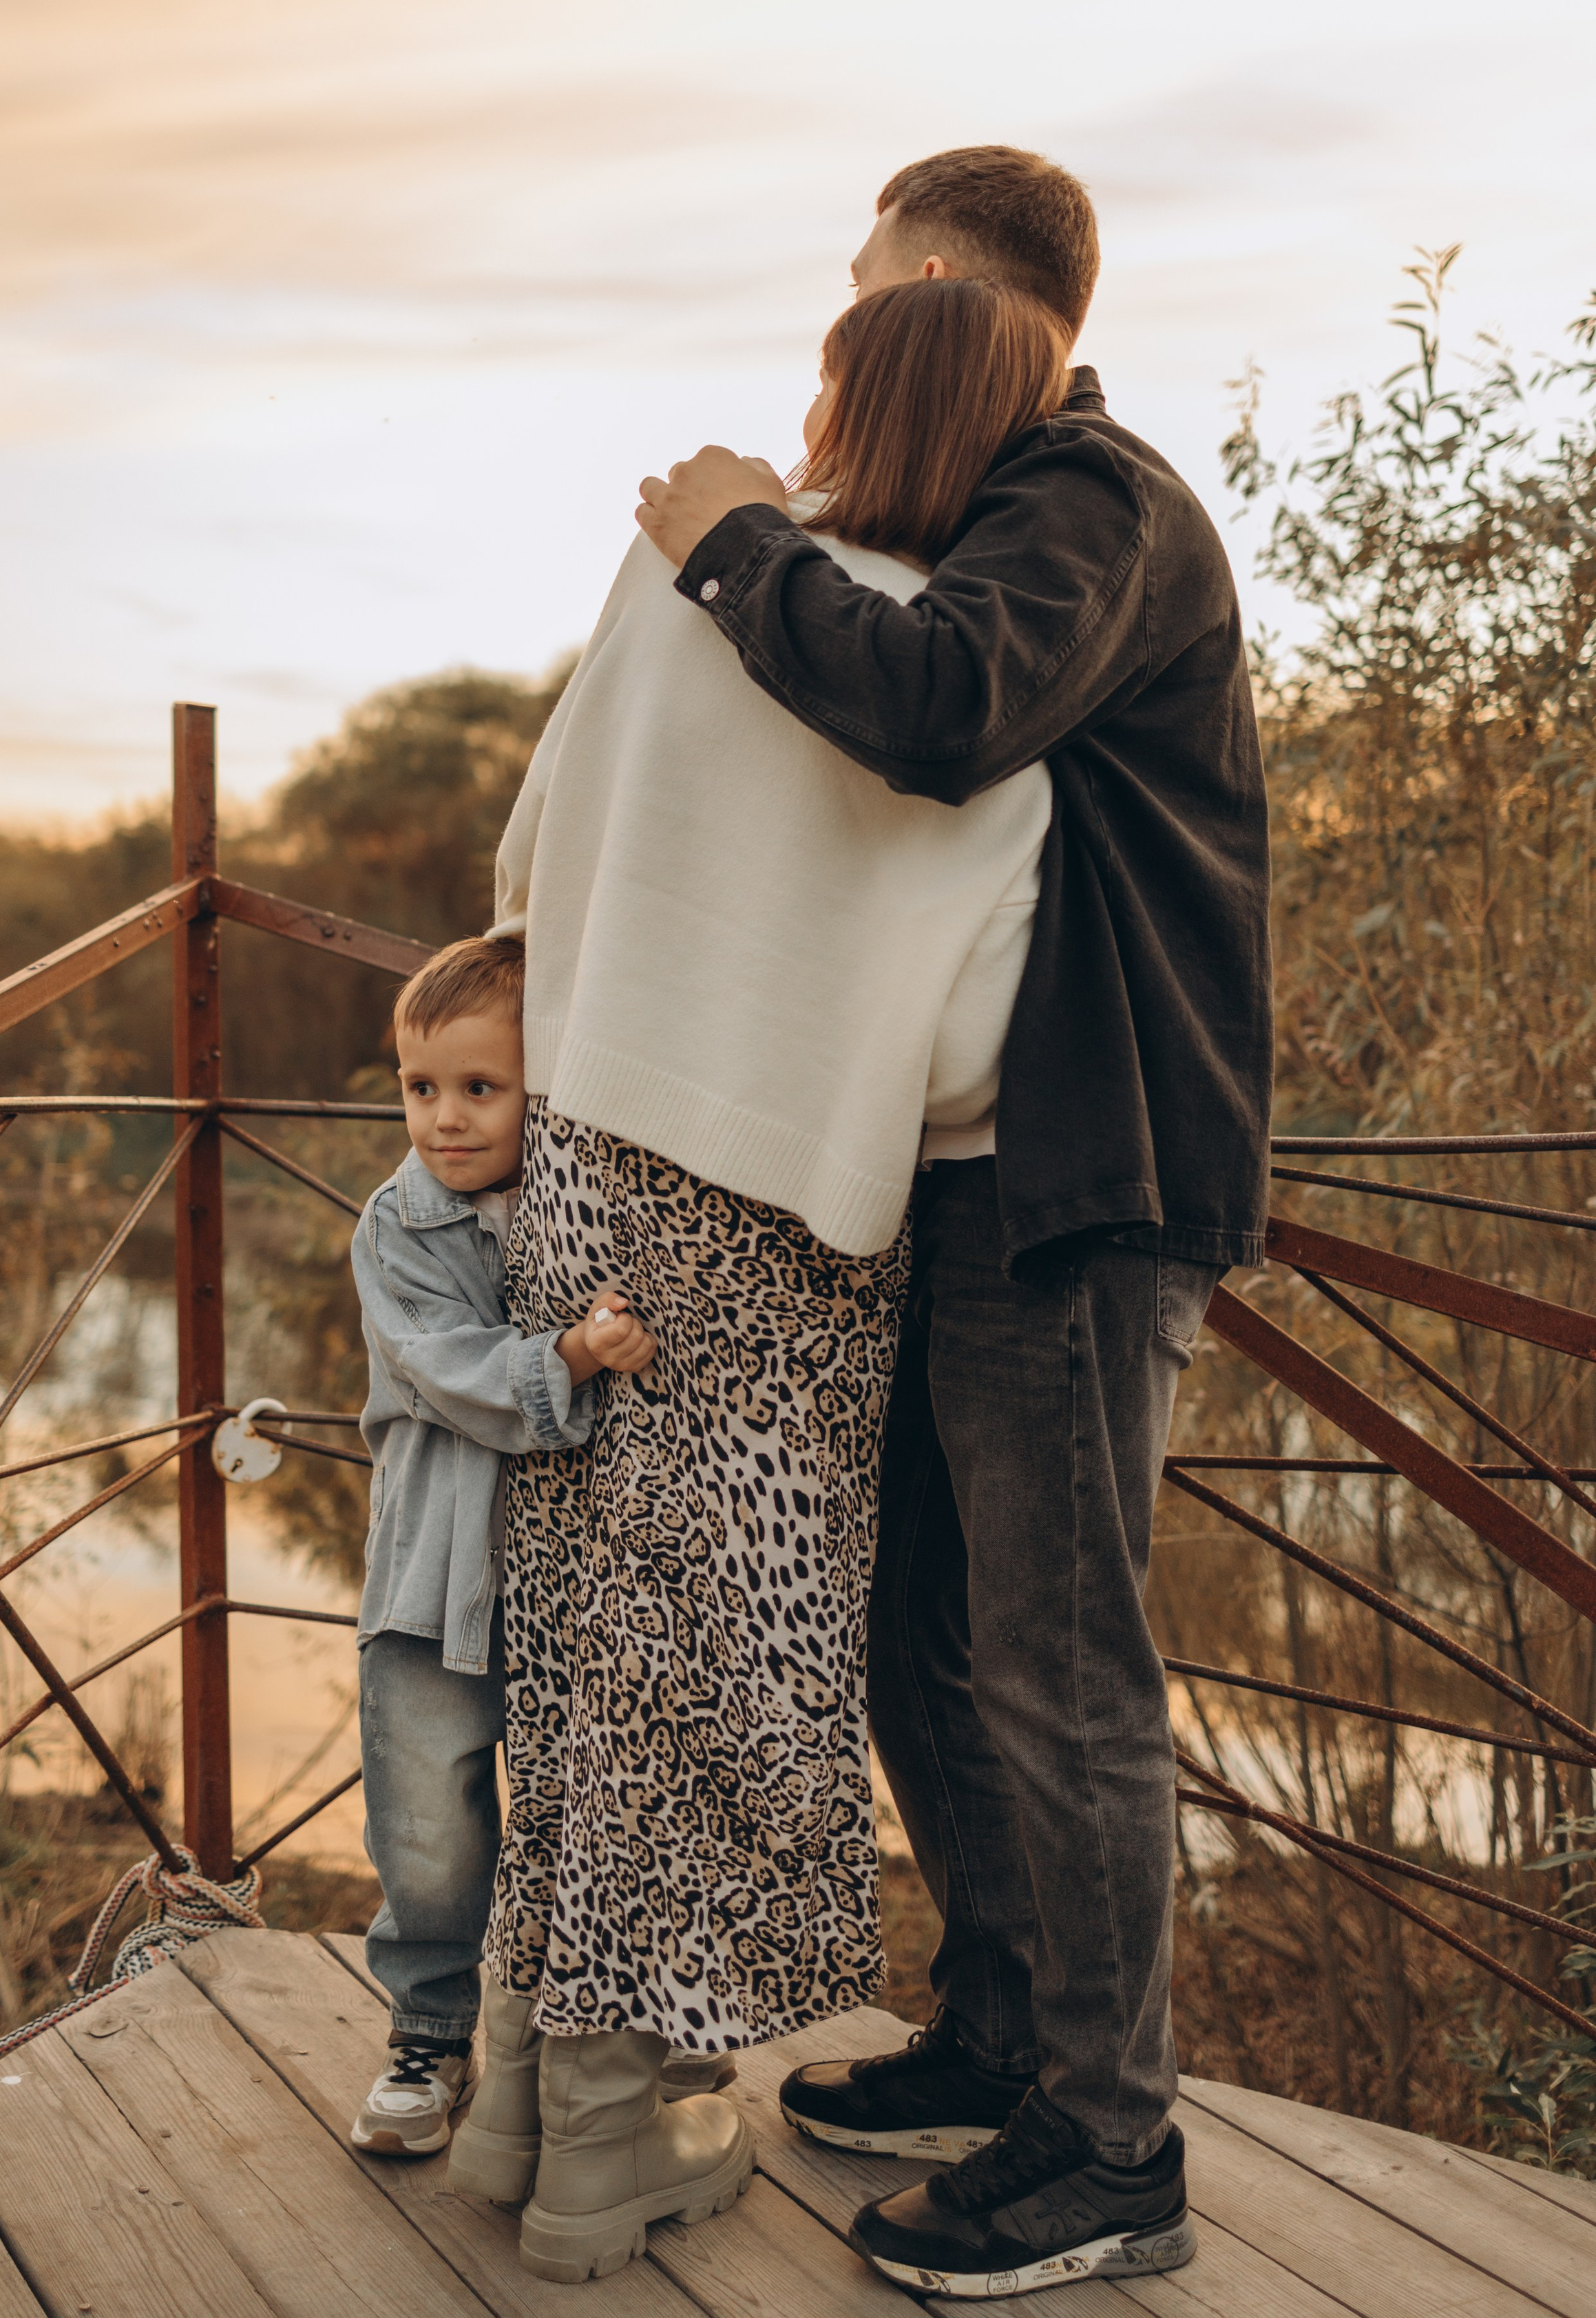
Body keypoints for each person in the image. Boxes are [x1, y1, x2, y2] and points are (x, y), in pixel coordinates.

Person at [635, 144, 1273, 2300]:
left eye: (865, 279)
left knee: (1065, 1660)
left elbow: (940, 713)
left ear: (938, 284)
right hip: (956, 1171)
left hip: (1088, 1179)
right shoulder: (998, 510)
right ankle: (1003, 2025)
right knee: (924, 1614)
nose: (850, 312)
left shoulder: (1101, 506)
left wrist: (732, 542)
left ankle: (1112, 2146)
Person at [448, 273, 1069, 2287]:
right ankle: (607, 2153)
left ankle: (523, 2110)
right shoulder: (970, 717)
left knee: (578, 1637)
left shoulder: (675, 596)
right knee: (710, 1681)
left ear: (830, 394)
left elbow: (530, 871)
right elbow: (968, 1052)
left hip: (585, 1164)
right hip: (779, 1237)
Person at [346, 934, 655, 2158]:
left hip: (562, 1580)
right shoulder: (397, 1227)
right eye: (423, 1087)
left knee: (580, 1801)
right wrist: (572, 1355)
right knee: (427, 1823)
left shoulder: (587, 1206)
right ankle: (428, 2034)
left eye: (483, 1087)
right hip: (433, 1577)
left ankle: (589, 2039)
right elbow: (448, 1374)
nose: (446, 1117)